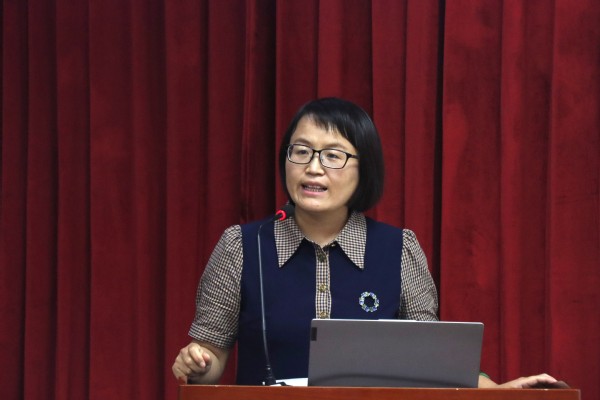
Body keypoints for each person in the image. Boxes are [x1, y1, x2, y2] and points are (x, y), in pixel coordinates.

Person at [172, 97, 558, 388]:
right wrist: (197, 362)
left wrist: (497, 391)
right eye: (301, 151)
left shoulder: (399, 249)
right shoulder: (242, 246)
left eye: (333, 156)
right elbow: (211, 357)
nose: (313, 167)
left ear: (364, 168)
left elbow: (431, 359)